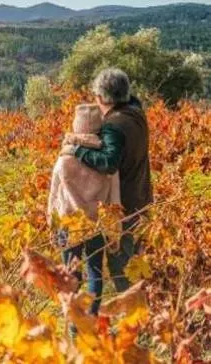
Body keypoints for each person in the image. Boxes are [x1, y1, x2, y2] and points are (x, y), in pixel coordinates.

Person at [61, 68, 152, 292]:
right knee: (135, 264)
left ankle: (135, 322)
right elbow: (133, 99)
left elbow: (109, 162)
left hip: (125, 207)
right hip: (143, 198)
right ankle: (141, 317)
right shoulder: (136, 113)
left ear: (101, 97)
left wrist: (77, 151)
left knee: (121, 268)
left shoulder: (114, 125)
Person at [48, 104, 121, 315]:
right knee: (95, 271)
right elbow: (115, 199)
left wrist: (51, 225)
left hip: (68, 224)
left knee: (71, 276)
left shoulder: (65, 158)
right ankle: (92, 317)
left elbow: (53, 197)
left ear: (76, 126)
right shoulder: (107, 162)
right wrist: (115, 229)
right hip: (96, 223)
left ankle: (73, 322)